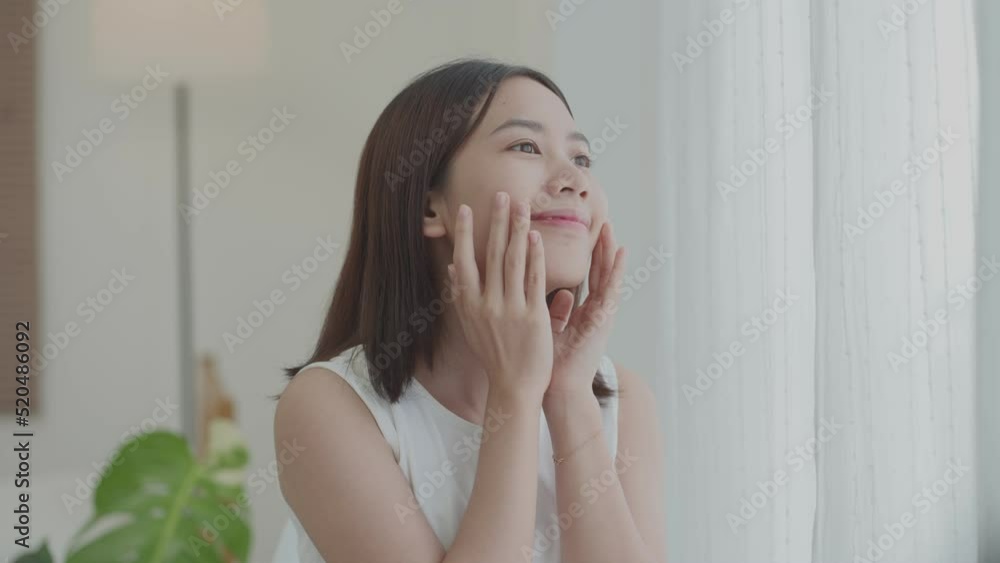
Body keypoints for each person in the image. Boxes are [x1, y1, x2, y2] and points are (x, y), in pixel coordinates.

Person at [273, 58, 666, 563]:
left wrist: (567, 397)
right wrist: (515, 396)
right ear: (428, 206)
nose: (574, 179)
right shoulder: (329, 407)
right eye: (526, 146)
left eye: (583, 158)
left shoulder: (623, 400)